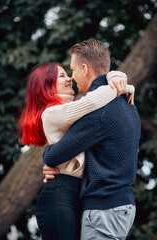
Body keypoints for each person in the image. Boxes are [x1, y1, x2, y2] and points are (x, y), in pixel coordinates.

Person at [42, 39, 141, 240]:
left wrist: (47, 156)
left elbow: (55, 155)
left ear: (85, 69)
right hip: (123, 205)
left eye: (73, 70)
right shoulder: (127, 101)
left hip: (104, 208)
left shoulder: (99, 113)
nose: (72, 77)